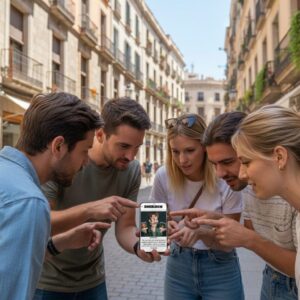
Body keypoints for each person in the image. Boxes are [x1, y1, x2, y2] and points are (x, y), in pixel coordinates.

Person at [35, 98, 161, 300]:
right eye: (124, 146)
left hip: (93, 281)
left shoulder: (131, 171)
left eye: (136, 148)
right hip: (47, 281)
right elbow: (40, 222)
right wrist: (90, 210)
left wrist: (139, 247)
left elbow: (125, 227)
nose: (130, 156)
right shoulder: (66, 161)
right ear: (101, 134)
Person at [172, 111, 298, 299]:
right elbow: (249, 231)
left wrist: (249, 240)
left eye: (236, 161)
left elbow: (254, 239)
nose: (220, 174)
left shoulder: (280, 190)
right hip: (270, 279)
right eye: (213, 164)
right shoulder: (249, 187)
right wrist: (214, 222)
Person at [0, 92, 105, 300]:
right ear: (58, 146)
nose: (86, 163)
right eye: (84, 151)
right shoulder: (29, 202)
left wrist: (61, 243)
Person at [149, 113, 245, 300]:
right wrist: (163, 230)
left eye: (189, 150)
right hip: (179, 266)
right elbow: (152, 236)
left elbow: (231, 240)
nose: (182, 160)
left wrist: (202, 232)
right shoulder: (162, 175)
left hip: (220, 266)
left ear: (204, 147)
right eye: (175, 152)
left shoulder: (226, 178)